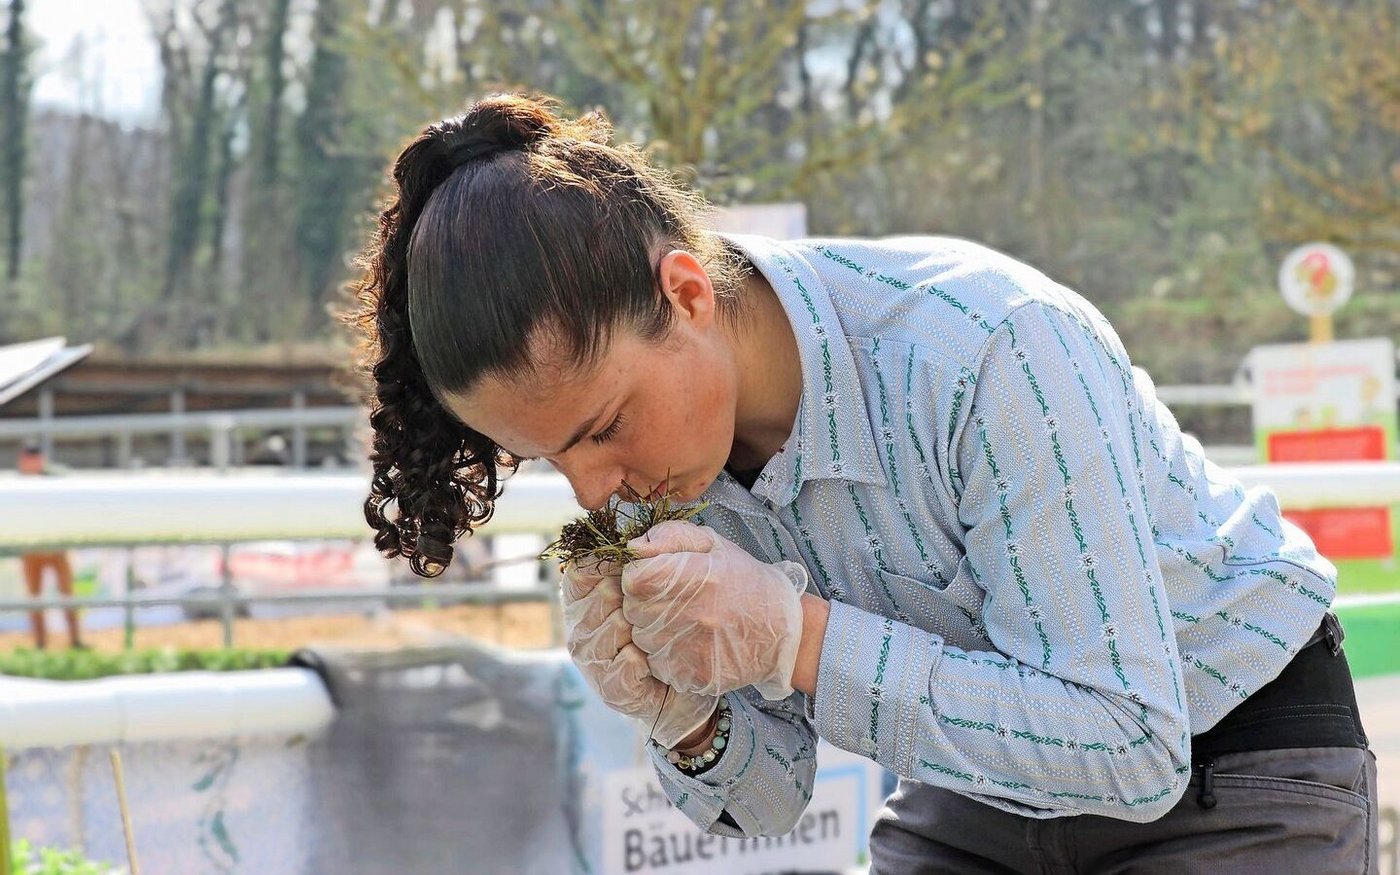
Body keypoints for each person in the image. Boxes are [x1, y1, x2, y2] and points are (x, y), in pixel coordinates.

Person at [349, 94, 1379, 872]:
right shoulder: (683, 458)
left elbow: (1125, 740)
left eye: (603, 428)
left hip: (1228, 765)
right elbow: (771, 798)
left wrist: (795, 637)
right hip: (980, 795)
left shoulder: (982, 346)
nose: (595, 492)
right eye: (551, 459)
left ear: (687, 290)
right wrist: (685, 715)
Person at [16, 442, 85, 650]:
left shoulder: (54, 477)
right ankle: (40, 643)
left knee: (68, 594)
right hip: (31, 548)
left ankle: (75, 639)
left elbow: (68, 487)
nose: (31, 463)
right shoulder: (18, 484)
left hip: (57, 545)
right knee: (34, 597)